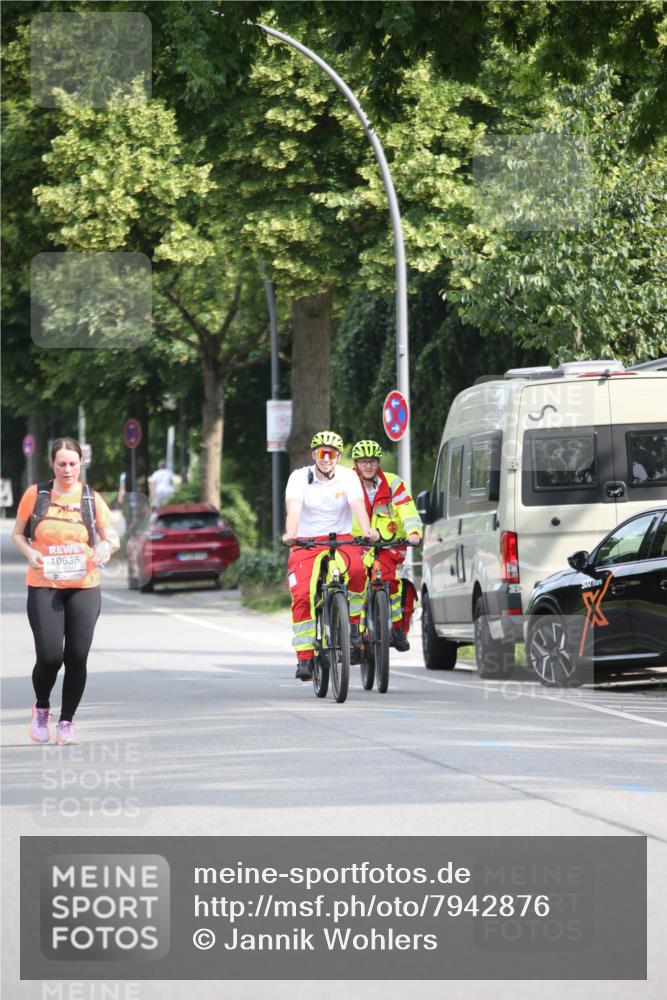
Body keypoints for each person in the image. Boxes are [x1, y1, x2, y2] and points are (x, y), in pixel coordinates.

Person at [12, 437, 120, 745]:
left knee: (77, 656)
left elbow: (110, 536)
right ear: (52, 464)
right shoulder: (37, 495)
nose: (68, 469)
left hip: (84, 585)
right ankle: (42, 707)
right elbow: (18, 533)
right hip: (44, 583)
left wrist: (104, 547)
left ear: (81, 463)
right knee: (49, 656)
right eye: (62, 464)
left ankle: (66, 722)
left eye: (73, 463)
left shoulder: (90, 497)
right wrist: (29, 552)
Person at [283, 431, 379, 681]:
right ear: (314, 454)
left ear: (338, 456)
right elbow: (294, 508)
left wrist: (368, 531)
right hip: (307, 543)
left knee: (359, 571)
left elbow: (358, 506)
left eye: (332, 454)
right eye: (321, 453)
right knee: (302, 593)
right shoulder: (299, 478)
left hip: (341, 540)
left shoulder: (348, 477)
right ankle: (304, 657)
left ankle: (354, 626)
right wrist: (291, 533)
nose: (326, 458)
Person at [351, 439, 422, 651]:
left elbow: (407, 509)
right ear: (356, 463)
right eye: (363, 461)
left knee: (388, 580)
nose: (368, 465)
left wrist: (413, 532)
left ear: (378, 462)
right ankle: (355, 634)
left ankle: (396, 629)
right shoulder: (347, 483)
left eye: (372, 461)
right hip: (356, 545)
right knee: (356, 584)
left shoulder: (392, 482)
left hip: (387, 544)